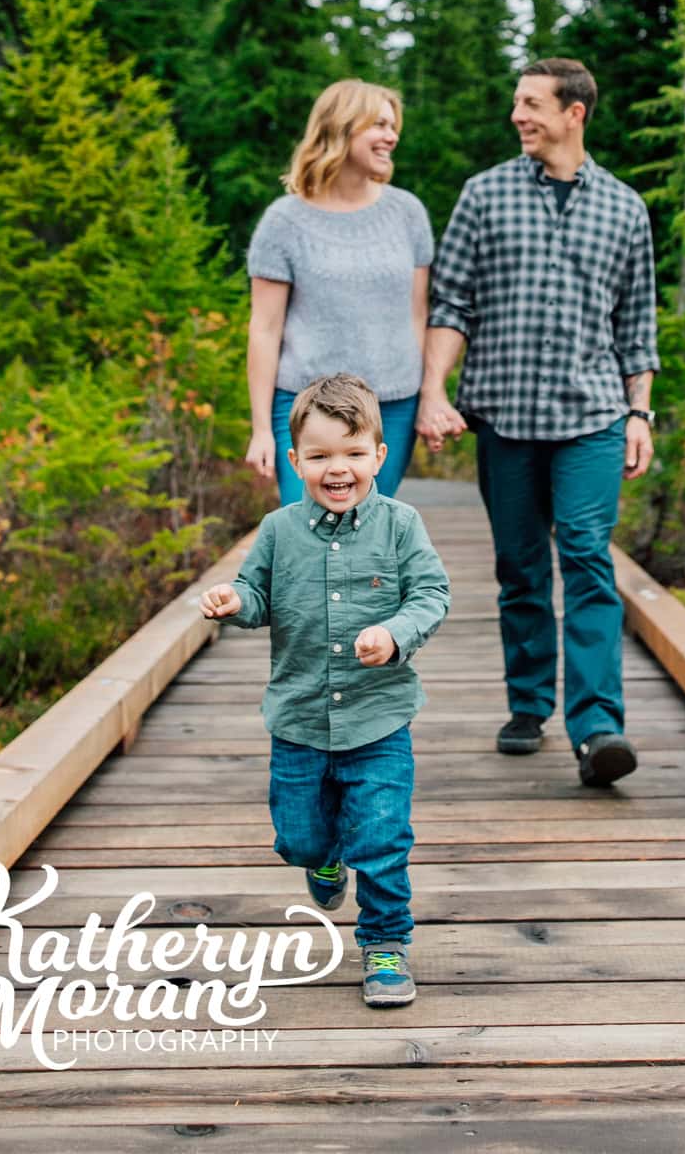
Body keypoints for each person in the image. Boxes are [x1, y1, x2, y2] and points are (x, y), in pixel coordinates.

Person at [415, 58, 658, 789]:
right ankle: (528, 706)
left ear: (572, 112)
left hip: (592, 416)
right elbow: (450, 303)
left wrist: (640, 411)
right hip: (505, 415)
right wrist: (433, 389)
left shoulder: (624, 208)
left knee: (585, 554)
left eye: (530, 104)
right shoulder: (484, 196)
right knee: (519, 568)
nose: (517, 115)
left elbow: (636, 325)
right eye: (516, 102)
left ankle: (596, 728)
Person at [200, 372, 451, 1006]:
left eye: (352, 453)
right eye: (319, 456)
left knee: (385, 837)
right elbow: (258, 595)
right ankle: (323, 856)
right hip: (301, 719)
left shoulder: (400, 525)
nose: (337, 469)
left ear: (378, 455)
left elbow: (431, 594)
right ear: (295, 461)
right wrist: (237, 600)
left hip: (379, 718)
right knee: (299, 836)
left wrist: (396, 633)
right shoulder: (279, 530)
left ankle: (386, 943)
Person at [246, 81, 434, 503]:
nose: (392, 136)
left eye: (394, 125)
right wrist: (261, 429)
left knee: (369, 533)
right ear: (342, 128)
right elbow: (264, 328)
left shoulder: (408, 213)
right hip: (305, 406)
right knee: (308, 530)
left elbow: (417, 315)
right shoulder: (284, 221)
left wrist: (426, 398)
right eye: (380, 125)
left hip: (392, 408)